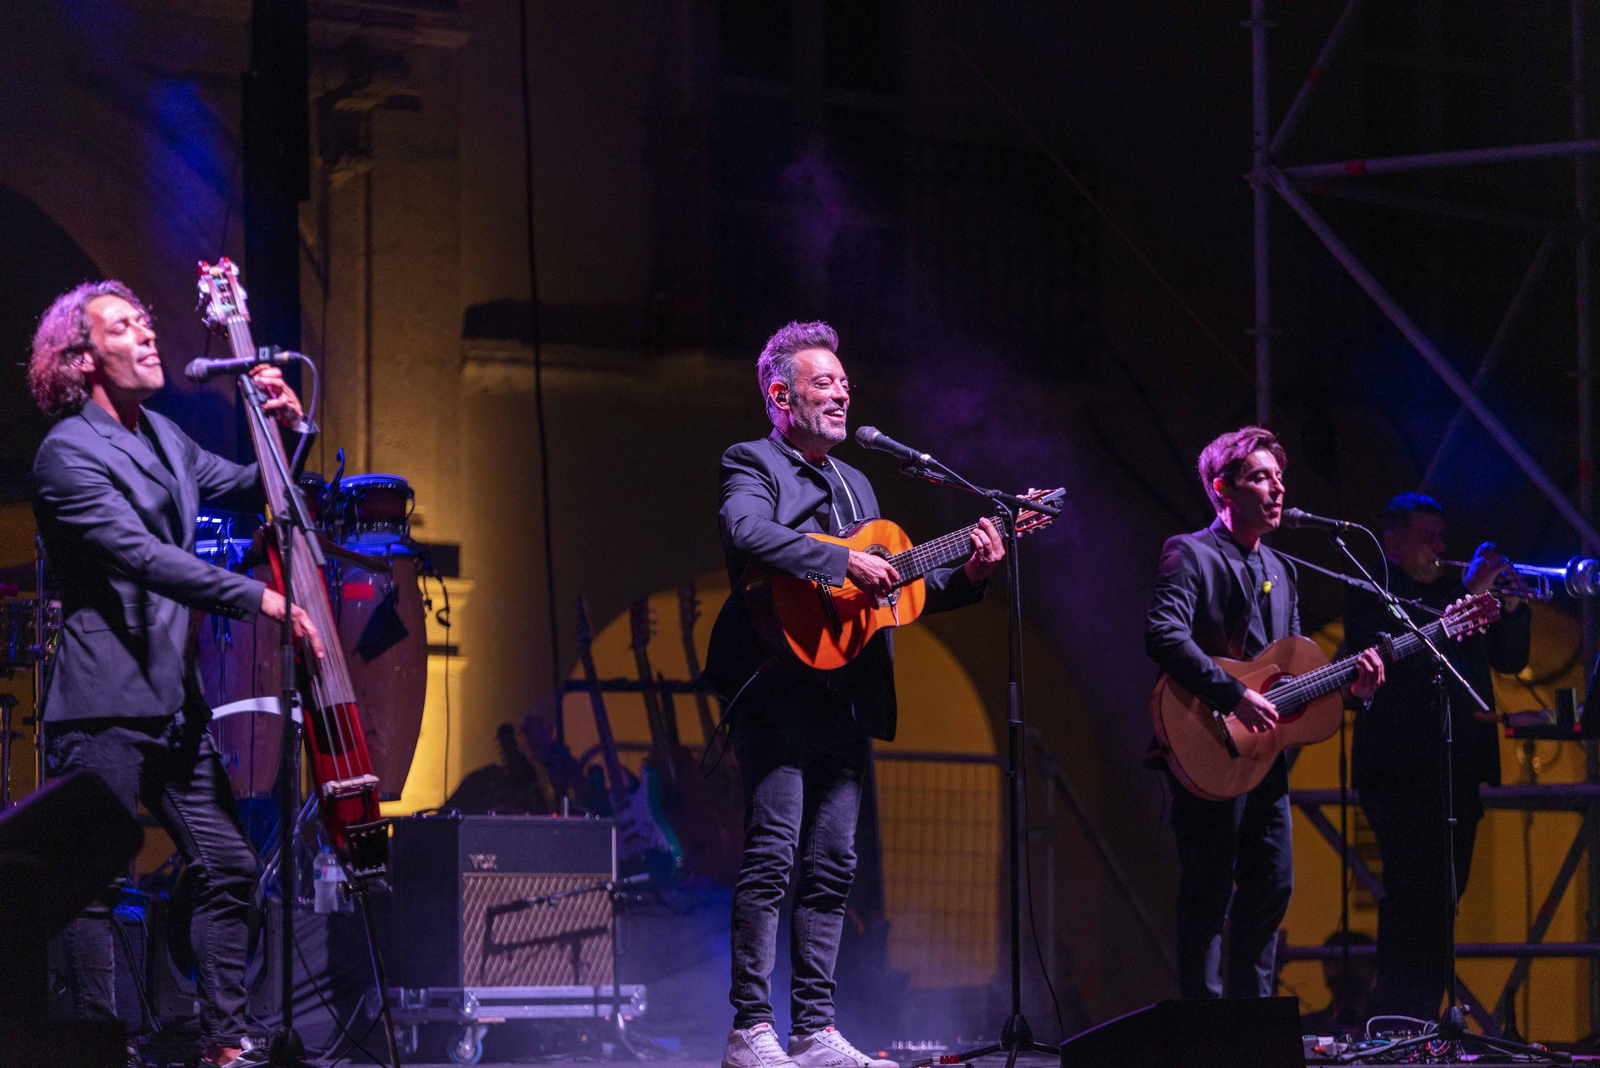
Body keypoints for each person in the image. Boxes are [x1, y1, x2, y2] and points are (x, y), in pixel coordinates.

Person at [28, 280, 323, 1068]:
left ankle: (223, 1042)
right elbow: (145, 558)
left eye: (147, 322)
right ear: (82, 359)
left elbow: (255, 489)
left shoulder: (164, 437)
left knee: (229, 865)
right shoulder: (67, 453)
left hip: (175, 704)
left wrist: (289, 431)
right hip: (102, 703)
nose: (149, 334)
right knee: (90, 884)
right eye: (125, 327)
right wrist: (258, 596)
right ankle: (93, 1048)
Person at [704, 321, 1003, 1068]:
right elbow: (745, 531)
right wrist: (838, 565)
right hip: (776, 689)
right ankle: (750, 1029)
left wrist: (969, 572)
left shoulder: (857, 483)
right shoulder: (753, 461)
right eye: (824, 383)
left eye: (844, 383)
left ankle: (813, 1030)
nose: (842, 394)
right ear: (782, 397)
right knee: (773, 857)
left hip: (845, 695)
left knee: (833, 865)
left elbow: (894, 592)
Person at [1145, 426, 1384, 999]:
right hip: (1207, 743)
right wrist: (1233, 695)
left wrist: (1353, 691)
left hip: (1265, 760)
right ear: (1223, 488)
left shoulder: (1283, 570)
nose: (1277, 489)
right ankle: (1204, 1028)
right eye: (1260, 477)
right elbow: (1163, 634)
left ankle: (1250, 1022)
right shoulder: (1190, 553)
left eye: (1279, 477)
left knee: (1272, 886)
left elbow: (1295, 679)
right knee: (1207, 892)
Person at [1343, 493, 1531, 1022]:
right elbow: (1407, 651)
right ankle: (1398, 1020)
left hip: (1459, 768)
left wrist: (1513, 609)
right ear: (1394, 541)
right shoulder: (1376, 590)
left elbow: (1510, 660)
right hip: (1400, 771)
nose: (1440, 548)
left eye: (1442, 538)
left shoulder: (1458, 592)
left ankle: (1423, 1021)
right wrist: (1470, 592)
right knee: (1412, 897)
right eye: (1427, 538)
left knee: (1446, 898)